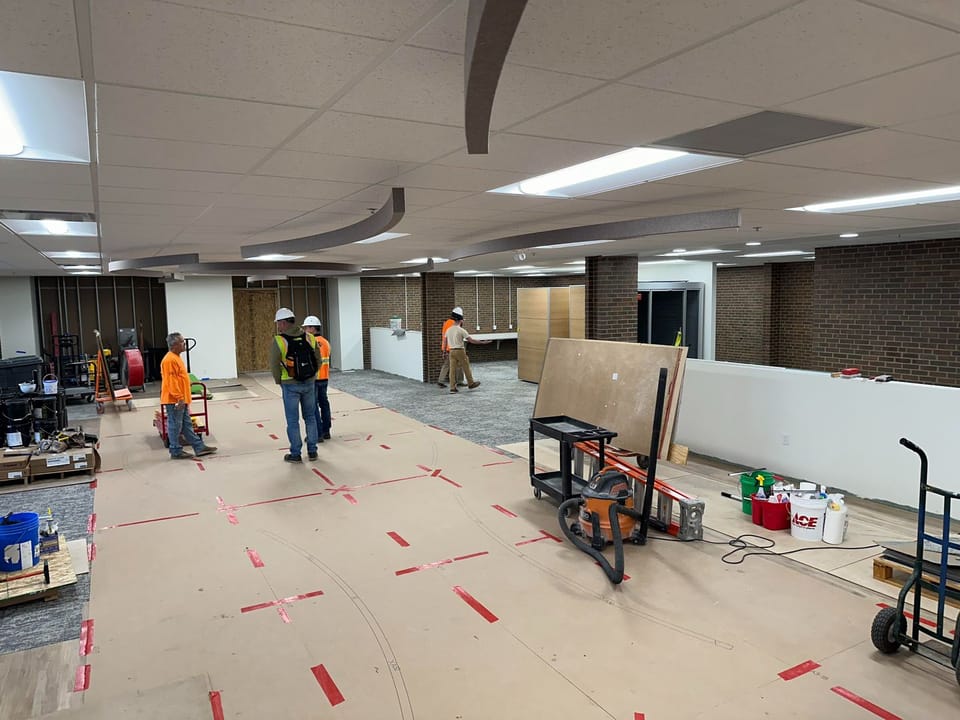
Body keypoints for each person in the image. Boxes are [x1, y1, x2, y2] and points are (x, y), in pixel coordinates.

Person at [269, 308, 321, 463]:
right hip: (309, 383)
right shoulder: (309, 337)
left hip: (290, 384)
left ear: (284, 323)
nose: (278, 326)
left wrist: (279, 381)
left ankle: (296, 453)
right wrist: (312, 375)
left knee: (292, 421)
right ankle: (312, 451)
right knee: (310, 417)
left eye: (278, 323)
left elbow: (274, 365)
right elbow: (318, 360)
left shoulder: (279, 340)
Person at [160, 332, 217, 459]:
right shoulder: (169, 360)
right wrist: (179, 398)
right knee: (175, 425)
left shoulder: (176, 357)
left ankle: (199, 447)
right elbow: (171, 382)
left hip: (182, 398)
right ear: (174, 345)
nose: (184, 344)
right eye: (182, 342)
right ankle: (175, 451)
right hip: (175, 400)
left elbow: (179, 378)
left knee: (186, 424)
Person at [301, 315, 332, 441]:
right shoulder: (326, 342)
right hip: (324, 378)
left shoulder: (310, 342)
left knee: (312, 407)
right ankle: (326, 431)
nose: (305, 330)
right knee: (324, 404)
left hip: (313, 379)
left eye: (307, 328)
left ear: (313, 328)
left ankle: (317, 434)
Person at [444, 313, 491, 394]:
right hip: (460, 350)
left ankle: (452, 388)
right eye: (462, 320)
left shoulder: (449, 330)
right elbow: (471, 340)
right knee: (466, 366)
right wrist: (483, 342)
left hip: (451, 351)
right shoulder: (461, 330)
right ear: (460, 321)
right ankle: (471, 383)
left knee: (452, 369)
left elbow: (445, 341)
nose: (463, 321)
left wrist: (444, 351)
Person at [437, 306, 466, 388]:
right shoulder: (453, 324)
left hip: (447, 347)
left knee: (447, 365)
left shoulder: (447, 322)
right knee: (459, 364)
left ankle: (441, 381)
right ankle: (459, 381)